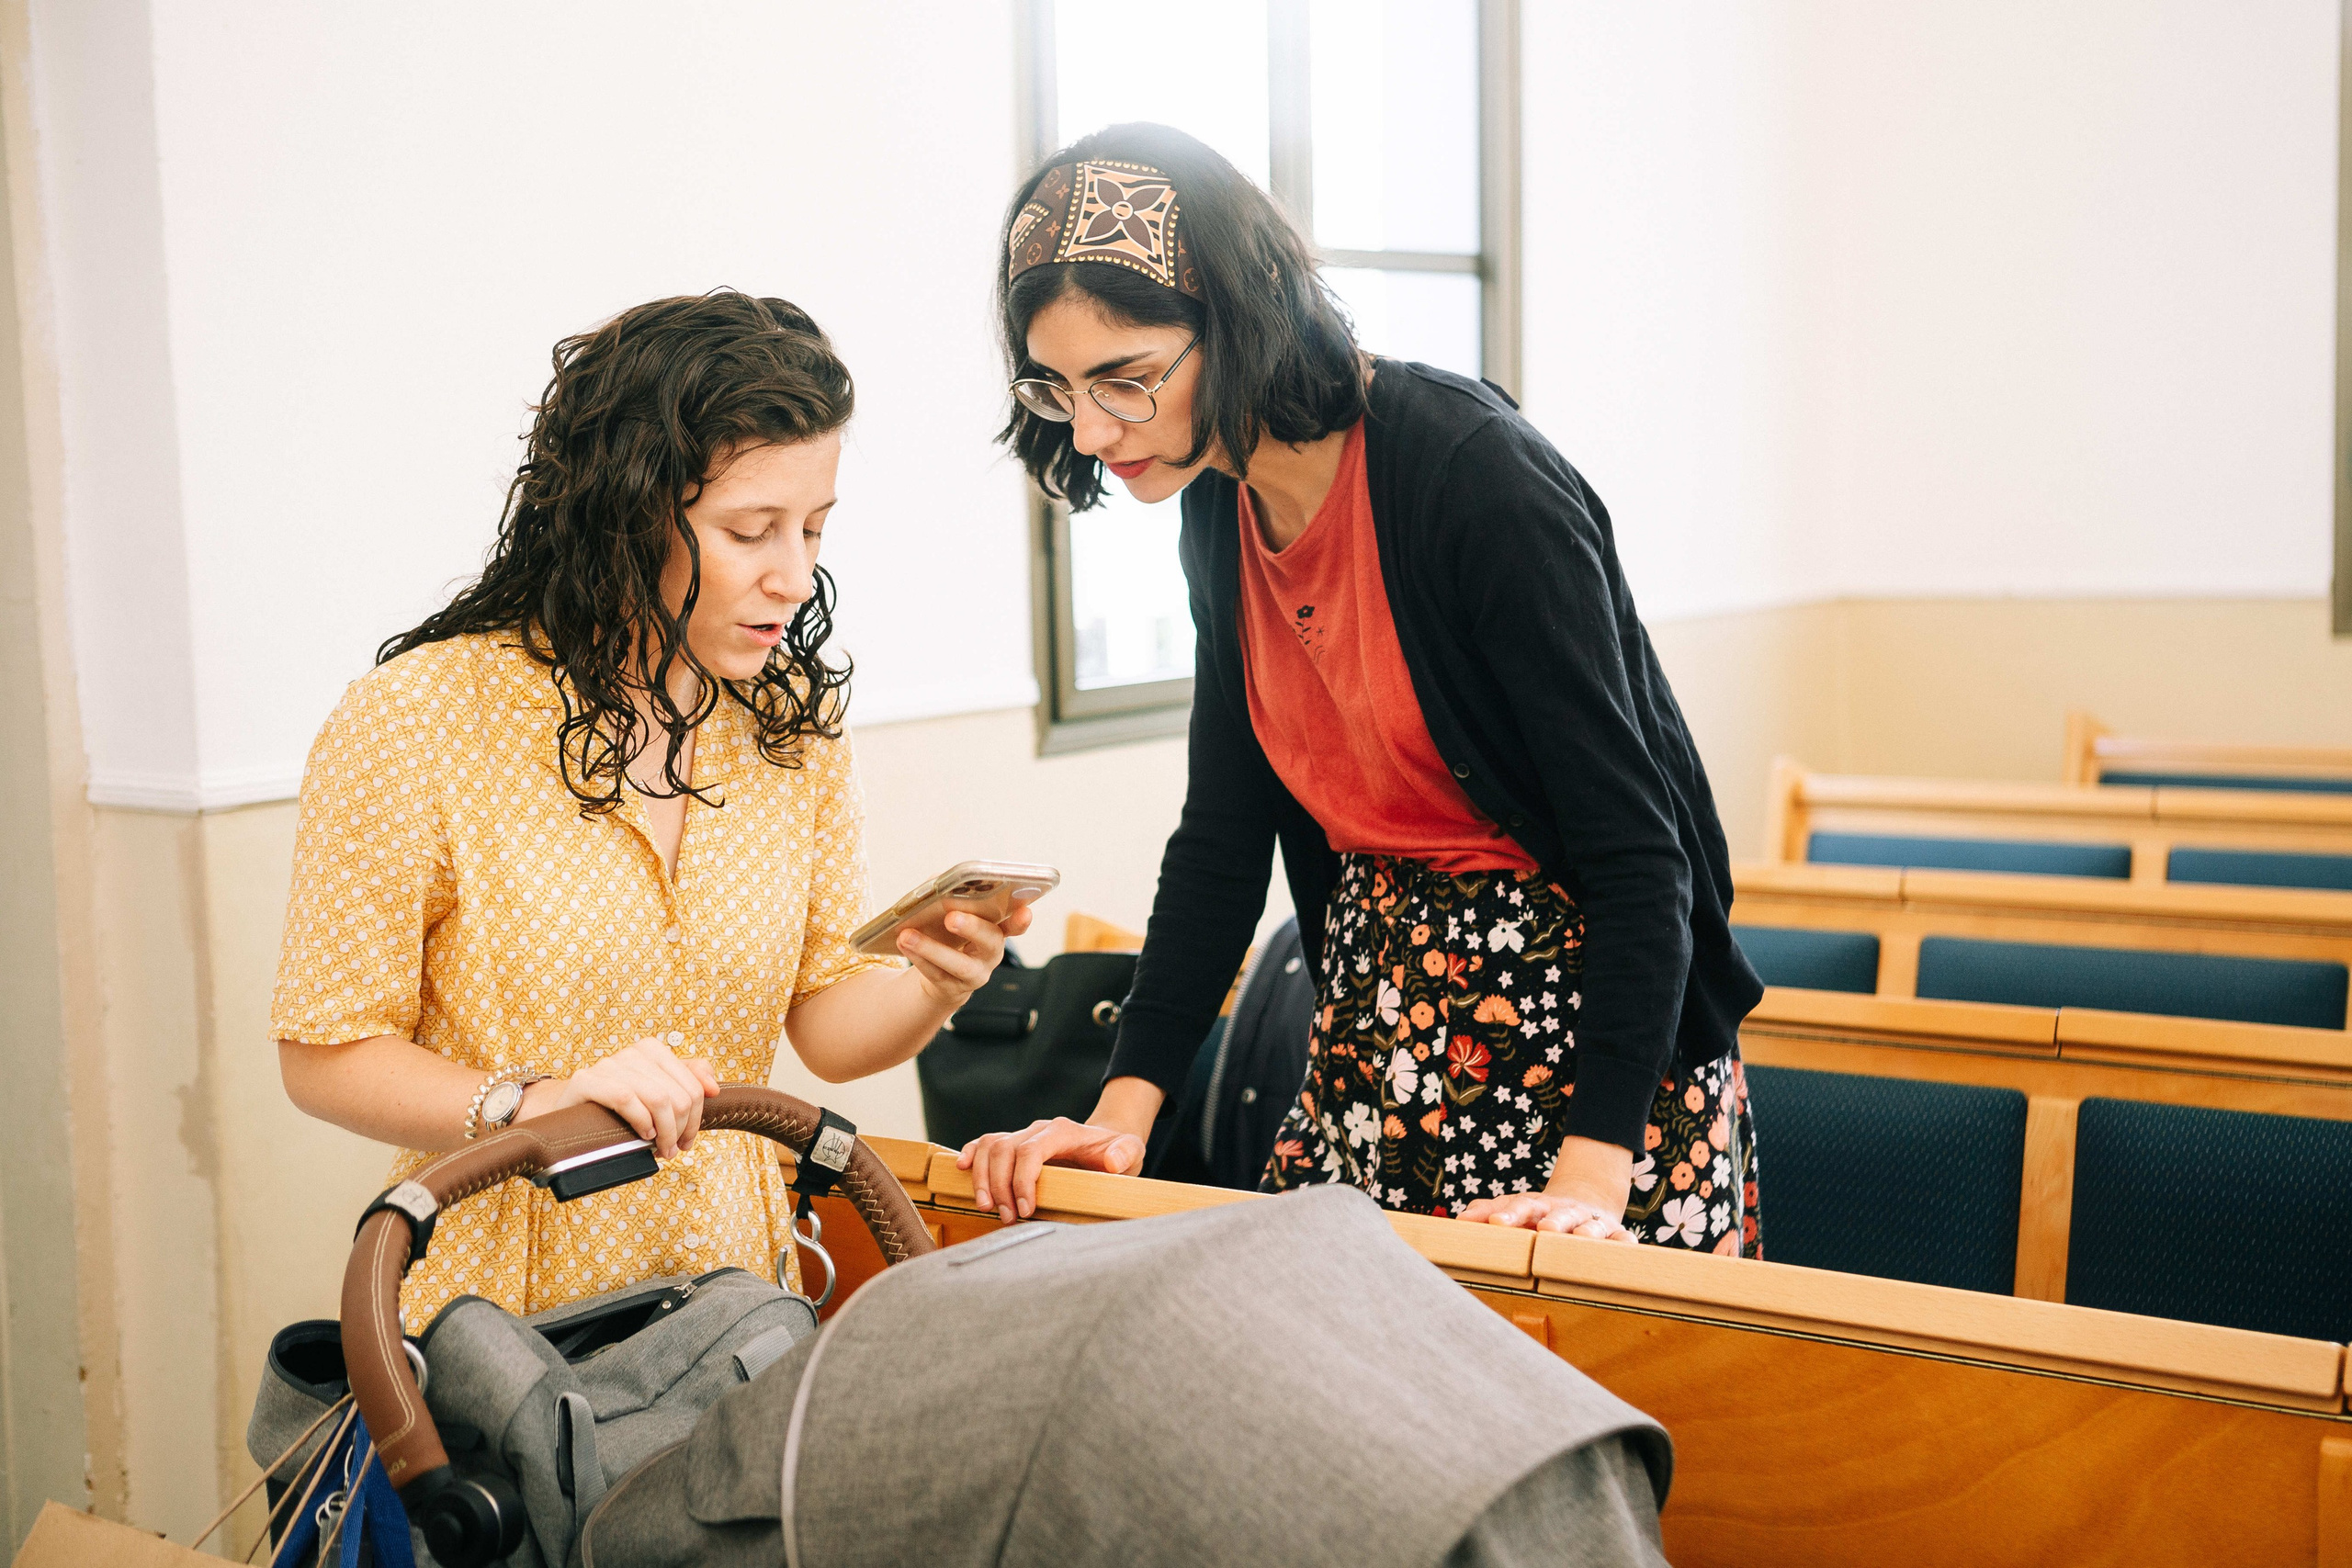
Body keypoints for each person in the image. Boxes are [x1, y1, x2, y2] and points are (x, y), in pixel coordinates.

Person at [960, 127, 1765, 1255]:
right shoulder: (1216, 504)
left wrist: (1591, 1177)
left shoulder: (1474, 476)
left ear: (1239, 322)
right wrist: (1120, 1116)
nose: (1092, 431)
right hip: (1375, 1031)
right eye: (1060, 388)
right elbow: (1221, 839)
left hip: (1591, 1066)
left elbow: (1640, 854)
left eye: (1126, 381)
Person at [275, 291, 1028, 1321]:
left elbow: (825, 1023)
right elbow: (325, 1054)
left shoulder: (789, 730)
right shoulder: (419, 720)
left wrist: (933, 982)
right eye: (750, 531)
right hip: (496, 1326)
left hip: (732, 1302)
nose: (794, 575)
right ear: (626, 513)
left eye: (813, 528)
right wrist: (537, 1105)